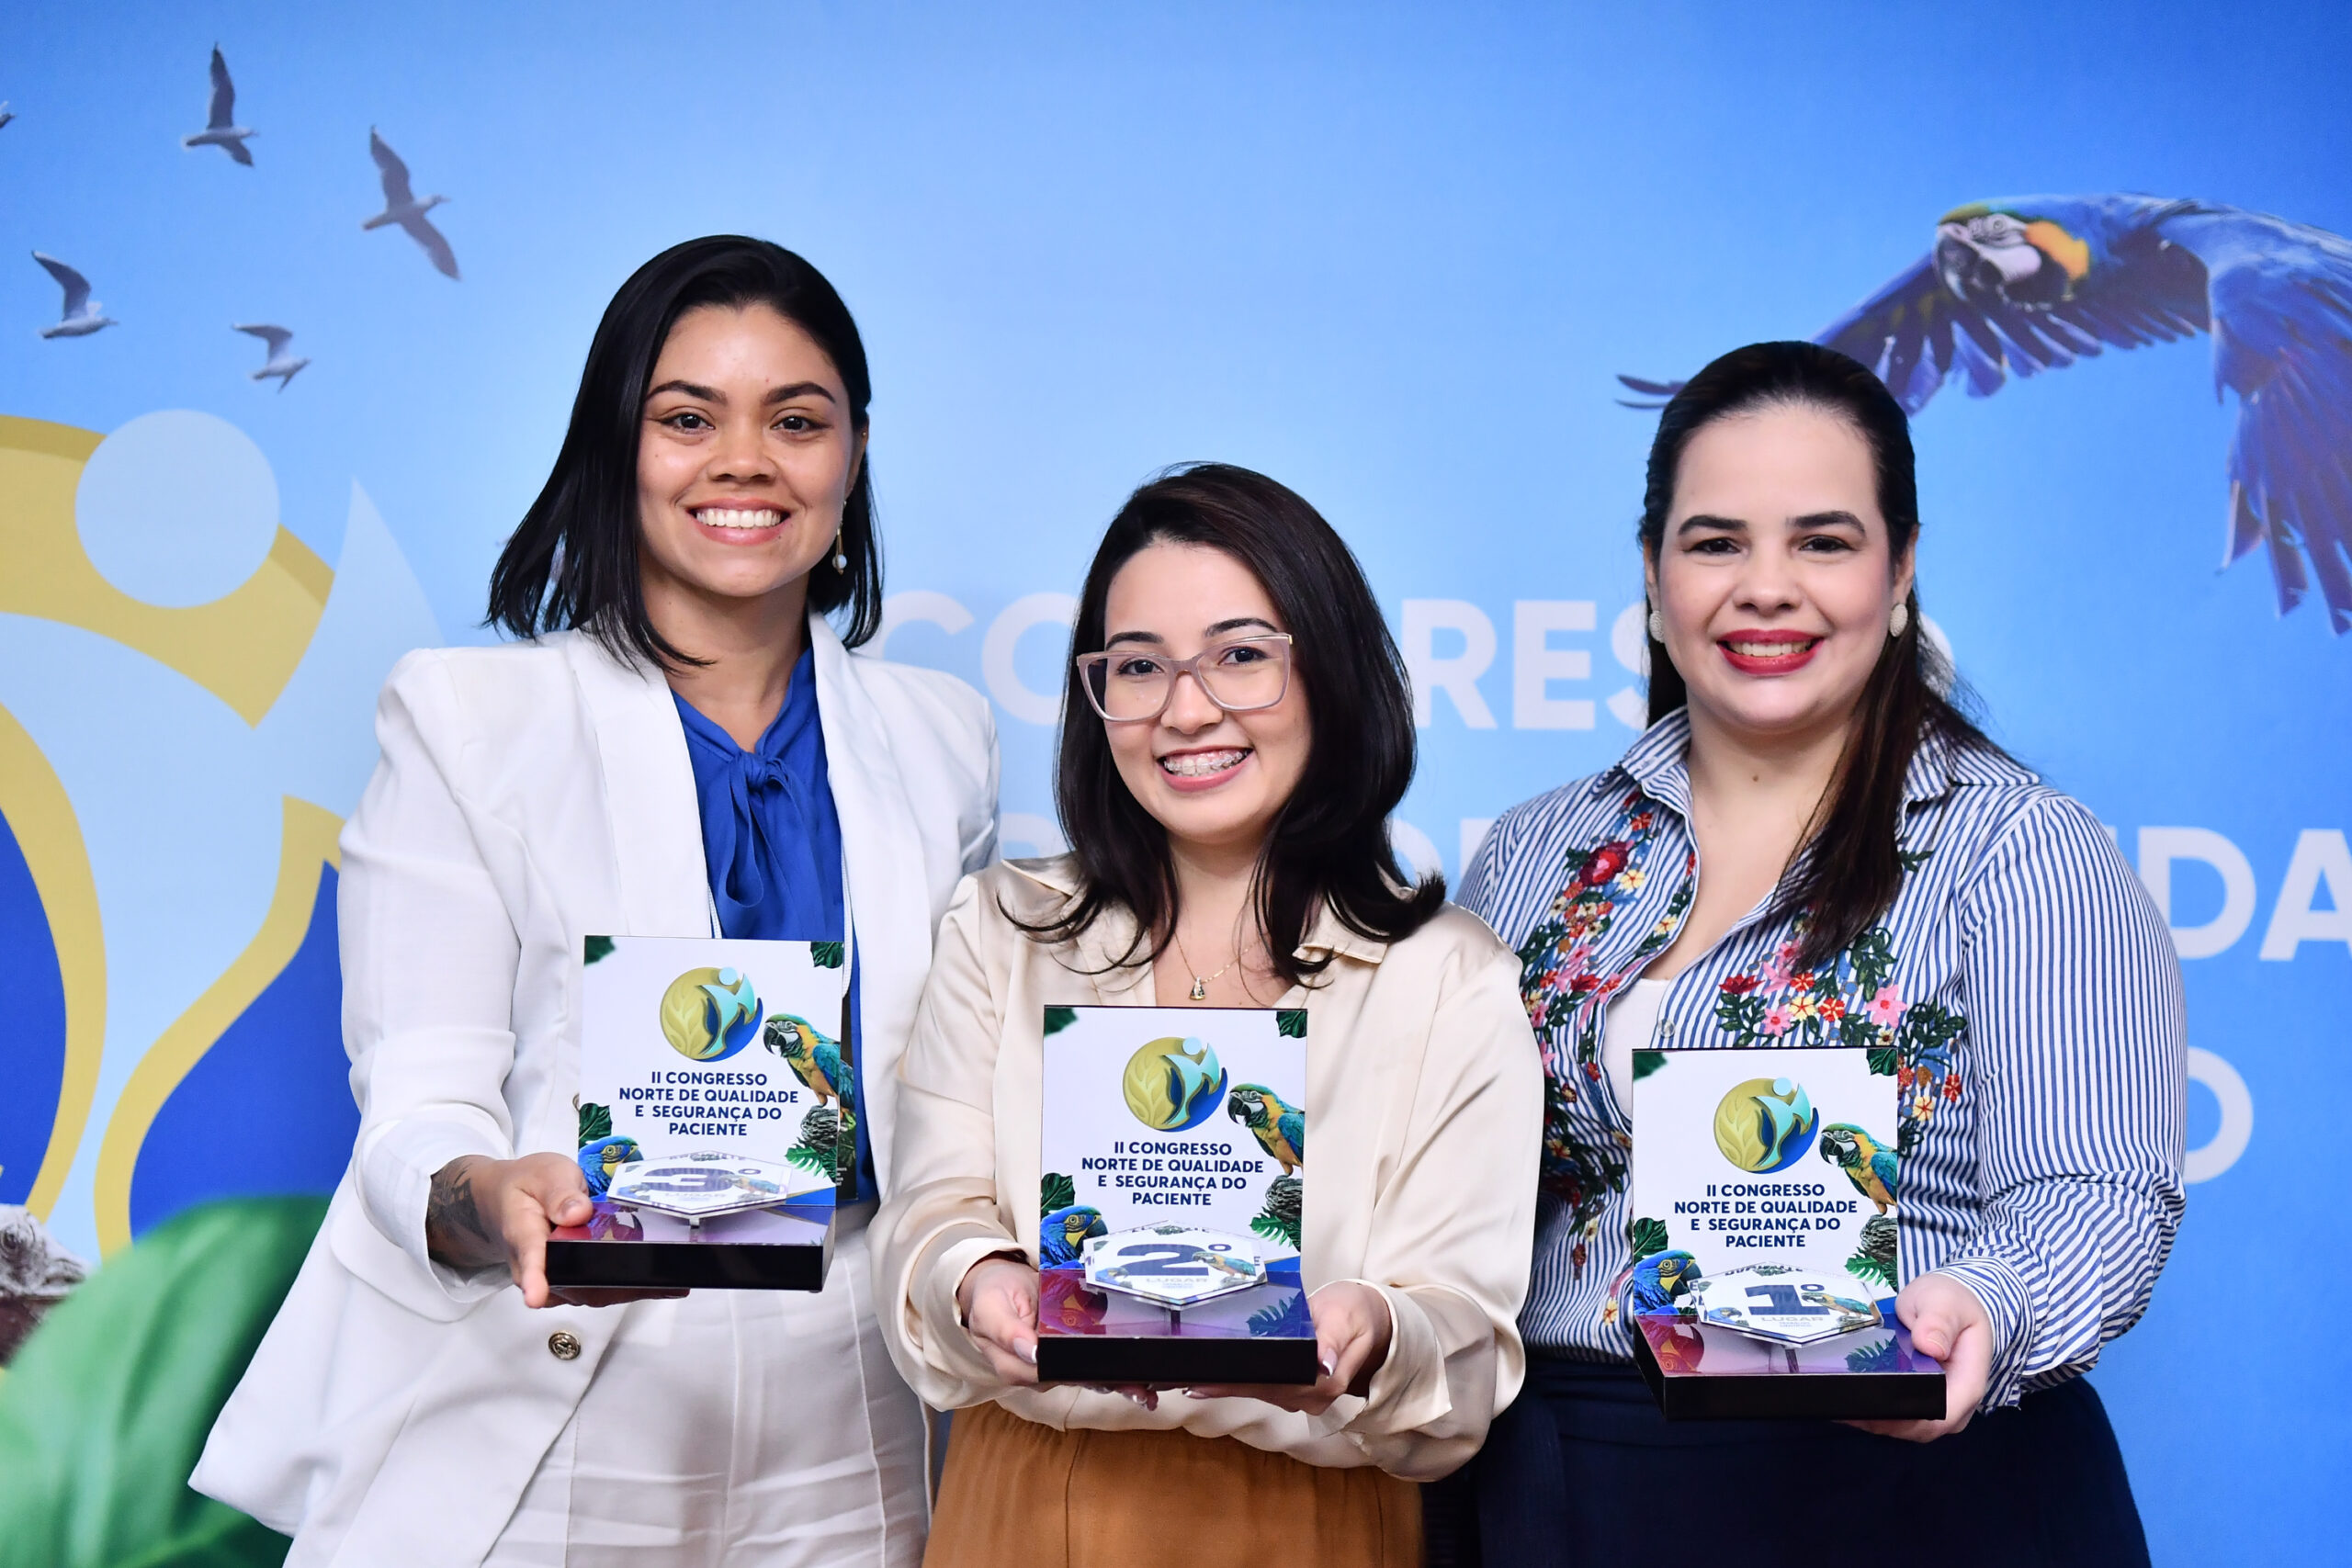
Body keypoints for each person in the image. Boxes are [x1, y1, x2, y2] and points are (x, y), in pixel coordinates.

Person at [194, 237, 999, 1567]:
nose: (744, 460)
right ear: (613, 445)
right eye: (687, 418)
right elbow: (420, 1101)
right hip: (568, 1381)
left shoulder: (944, 736)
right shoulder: (468, 718)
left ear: (854, 454)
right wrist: (489, 1193)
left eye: (797, 421)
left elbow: (958, 1090)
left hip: (855, 1412)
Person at [1447, 341, 2186, 1565]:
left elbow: (2095, 1193)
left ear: (1901, 570)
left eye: (1823, 542)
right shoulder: (1532, 853)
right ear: (1652, 573)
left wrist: (1985, 1306)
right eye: (1716, 542)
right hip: (1573, 1485)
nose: (1766, 588)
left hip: (1909, 1489)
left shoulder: (2019, 848)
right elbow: (1452, 1190)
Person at [870, 465, 1542, 1566]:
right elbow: (926, 1215)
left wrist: (1376, 1333)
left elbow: (1466, 1340)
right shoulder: (1000, 929)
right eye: (1138, 666)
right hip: (1021, 1504)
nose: (1185, 711)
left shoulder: (1446, 977)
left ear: (1329, 671)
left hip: (1311, 1520)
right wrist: (974, 1278)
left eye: (1239, 656)